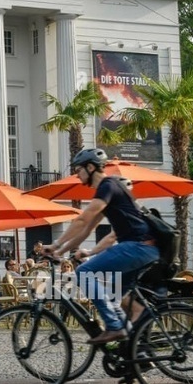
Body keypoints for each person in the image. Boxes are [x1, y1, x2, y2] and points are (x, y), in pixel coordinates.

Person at [43, 148, 159, 346]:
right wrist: (60, 252)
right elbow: (86, 230)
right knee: (114, 293)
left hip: (136, 246)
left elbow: (82, 219)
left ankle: (114, 326)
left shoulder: (107, 186)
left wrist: (55, 243)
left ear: (90, 167)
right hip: (144, 249)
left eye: (78, 170)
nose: (77, 174)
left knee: (84, 271)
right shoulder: (109, 190)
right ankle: (136, 350)